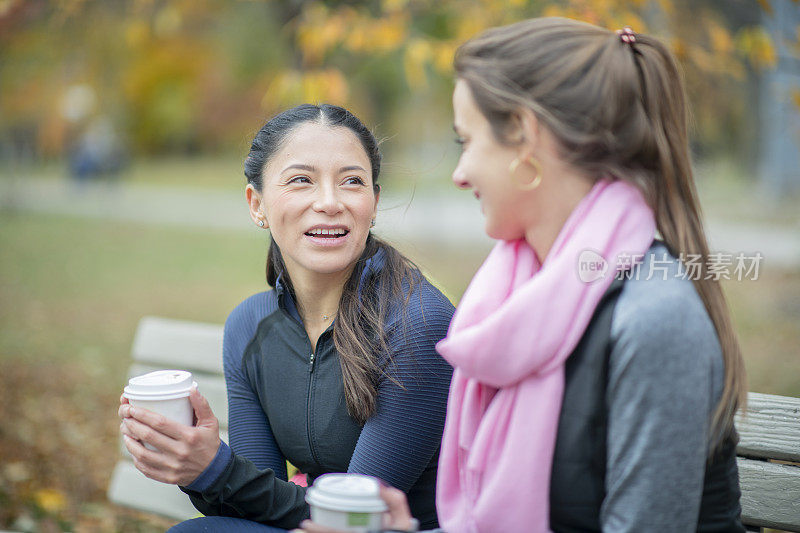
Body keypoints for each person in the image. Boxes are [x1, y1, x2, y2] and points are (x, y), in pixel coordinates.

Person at [298, 17, 747, 533]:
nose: (459, 173)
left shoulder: (654, 317)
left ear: (526, 140)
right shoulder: (516, 298)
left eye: (467, 141)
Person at [118, 104, 455, 531]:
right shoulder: (250, 327)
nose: (330, 202)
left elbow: (352, 518)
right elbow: (259, 509)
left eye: (352, 181)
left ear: (374, 203)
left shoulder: (417, 325)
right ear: (256, 204)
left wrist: (215, 469)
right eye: (301, 180)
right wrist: (191, 464)